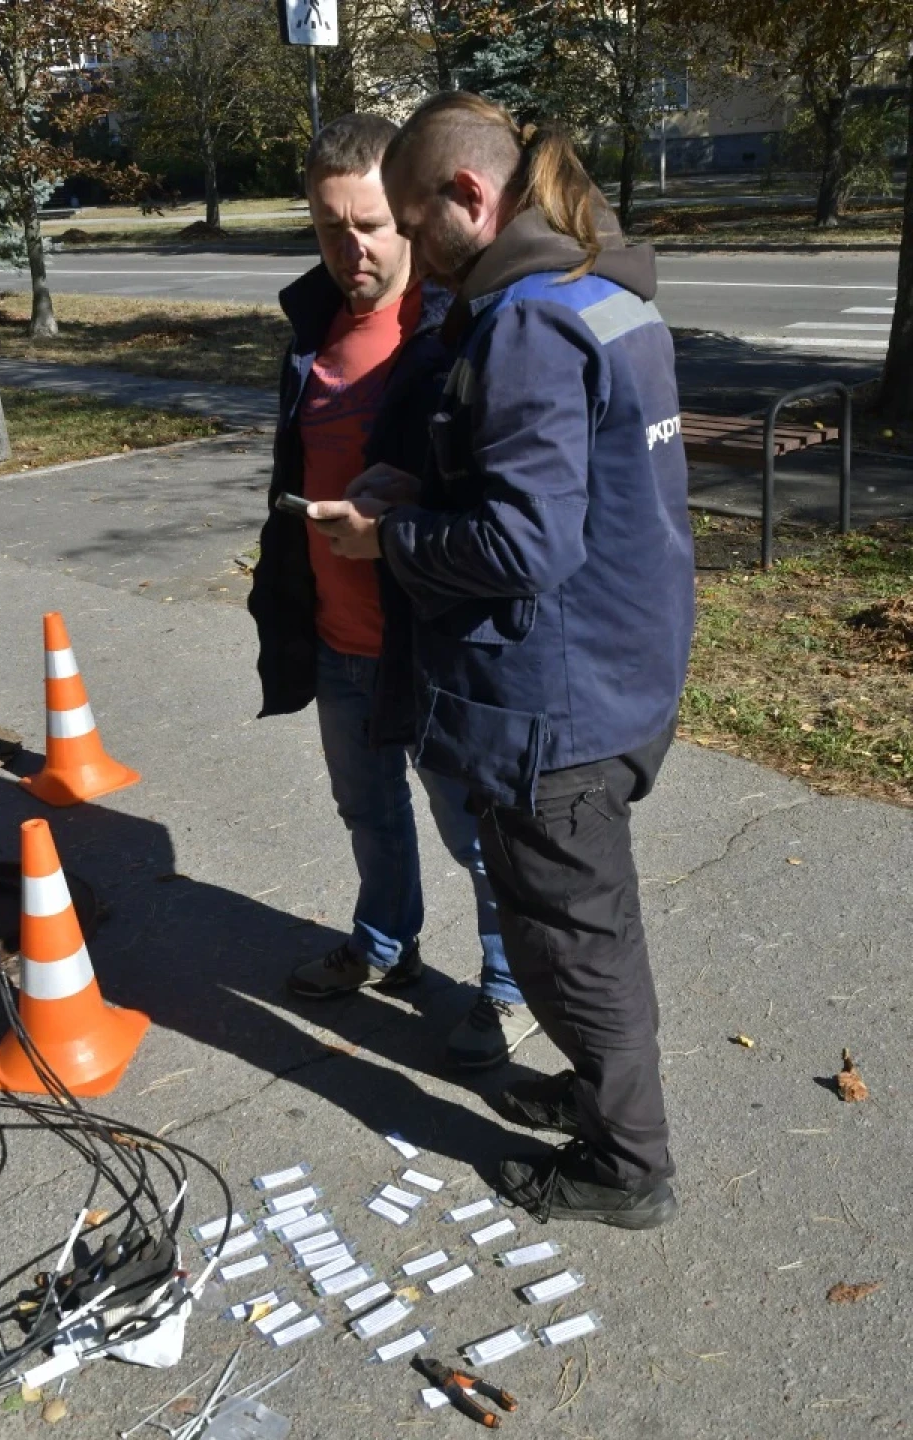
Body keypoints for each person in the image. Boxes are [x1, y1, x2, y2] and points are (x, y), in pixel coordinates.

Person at [306, 94, 695, 1228]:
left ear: (471, 199)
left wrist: (391, 538)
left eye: (417, 230)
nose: (415, 260)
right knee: (584, 927)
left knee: (570, 941)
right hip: (620, 671)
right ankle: (598, 1093)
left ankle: (627, 1167)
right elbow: (559, 490)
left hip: (557, 709)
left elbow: (526, 542)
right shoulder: (603, 289)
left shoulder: (528, 322)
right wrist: (422, 484)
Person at [247, 112, 537, 1070]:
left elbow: (507, 506)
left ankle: (510, 984)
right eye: (329, 226)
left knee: (475, 834)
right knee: (366, 810)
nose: (350, 249)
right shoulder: (314, 322)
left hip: (433, 643)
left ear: (409, 217)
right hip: (337, 635)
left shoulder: (459, 329)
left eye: (369, 224)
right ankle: (385, 943)